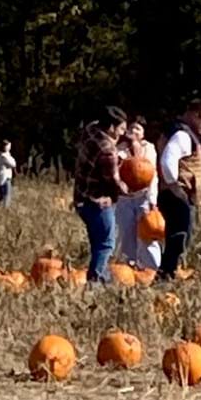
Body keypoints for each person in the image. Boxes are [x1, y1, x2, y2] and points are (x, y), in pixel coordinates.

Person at [155, 97, 201, 276]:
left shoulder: (179, 132)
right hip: (177, 194)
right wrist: (174, 186)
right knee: (179, 235)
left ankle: (169, 271)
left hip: (175, 193)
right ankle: (167, 272)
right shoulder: (182, 135)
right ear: (196, 115)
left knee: (178, 235)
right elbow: (167, 161)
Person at [72, 106, 128, 283]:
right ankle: (95, 281)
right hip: (98, 202)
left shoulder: (90, 130)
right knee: (106, 244)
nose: (122, 134)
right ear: (111, 127)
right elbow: (113, 181)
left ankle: (104, 280)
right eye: (121, 129)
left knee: (97, 243)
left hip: (81, 197)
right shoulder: (107, 149)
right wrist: (130, 190)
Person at [114, 118, 162, 274]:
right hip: (124, 199)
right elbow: (116, 166)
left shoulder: (149, 148)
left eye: (138, 129)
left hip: (143, 197)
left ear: (143, 133)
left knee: (147, 234)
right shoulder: (120, 148)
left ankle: (151, 269)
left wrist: (152, 199)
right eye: (132, 128)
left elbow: (152, 174)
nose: (134, 131)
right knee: (126, 234)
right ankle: (129, 268)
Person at [0, 140, 16, 206]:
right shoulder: (3, 157)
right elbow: (13, 164)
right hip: (4, 178)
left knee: (2, 195)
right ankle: (4, 209)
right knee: (6, 195)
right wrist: (10, 156)